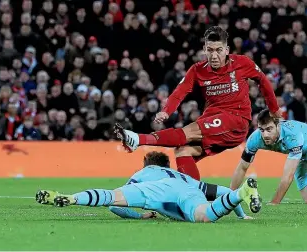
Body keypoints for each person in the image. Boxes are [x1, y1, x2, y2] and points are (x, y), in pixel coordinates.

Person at [114, 26, 282, 180]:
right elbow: (180, 91)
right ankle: (194, 199)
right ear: (204, 49)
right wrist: (167, 110)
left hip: (236, 119)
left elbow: (263, 81)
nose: (214, 55)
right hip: (213, 121)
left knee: (189, 131)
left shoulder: (242, 63)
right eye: (210, 50)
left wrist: (274, 109)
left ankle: (138, 138)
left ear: (227, 50)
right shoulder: (197, 70)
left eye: (218, 50)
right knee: (182, 150)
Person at [36, 151, 262, 223]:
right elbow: (223, 191)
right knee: (205, 215)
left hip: (155, 191)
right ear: (167, 165)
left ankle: (73, 198)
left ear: (147, 165)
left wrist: (139, 216)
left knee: (110, 196)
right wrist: (241, 215)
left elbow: (116, 207)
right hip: (187, 191)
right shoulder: (182, 176)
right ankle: (244, 192)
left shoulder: (144, 173)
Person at [230, 109, 307, 205]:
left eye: (269, 129)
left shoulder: (292, 135)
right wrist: (230, 197)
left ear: (278, 125)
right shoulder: (254, 139)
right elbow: (242, 167)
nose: (265, 134)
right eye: (261, 129)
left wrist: (274, 203)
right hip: (301, 154)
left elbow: (288, 176)